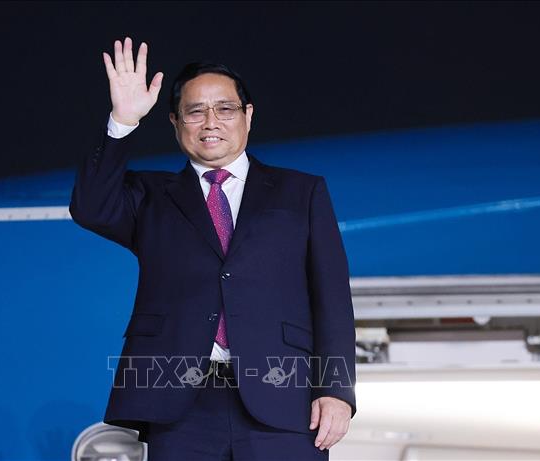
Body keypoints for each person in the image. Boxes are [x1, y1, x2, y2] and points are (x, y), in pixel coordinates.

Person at [69, 37, 357, 461]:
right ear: (174, 121)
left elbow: (332, 299)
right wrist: (123, 122)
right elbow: (90, 206)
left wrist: (336, 390)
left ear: (248, 115)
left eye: (225, 109)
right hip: (179, 406)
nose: (210, 122)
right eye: (195, 111)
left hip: (283, 397)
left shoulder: (301, 192)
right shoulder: (151, 197)